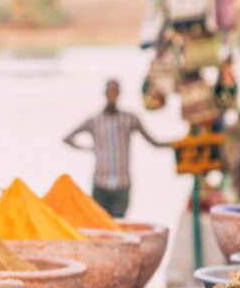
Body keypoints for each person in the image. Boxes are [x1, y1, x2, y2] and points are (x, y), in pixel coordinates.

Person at [63, 79, 169, 218]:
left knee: (118, 224)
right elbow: (67, 138)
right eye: (110, 91)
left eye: (115, 91)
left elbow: (153, 141)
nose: (112, 94)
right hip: (101, 183)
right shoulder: (94, 121)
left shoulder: (129, 119)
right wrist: (90, 149)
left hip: (121, 184)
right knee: (100, 223)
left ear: (119, 94)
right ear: (105, 94)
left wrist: (174, 145)